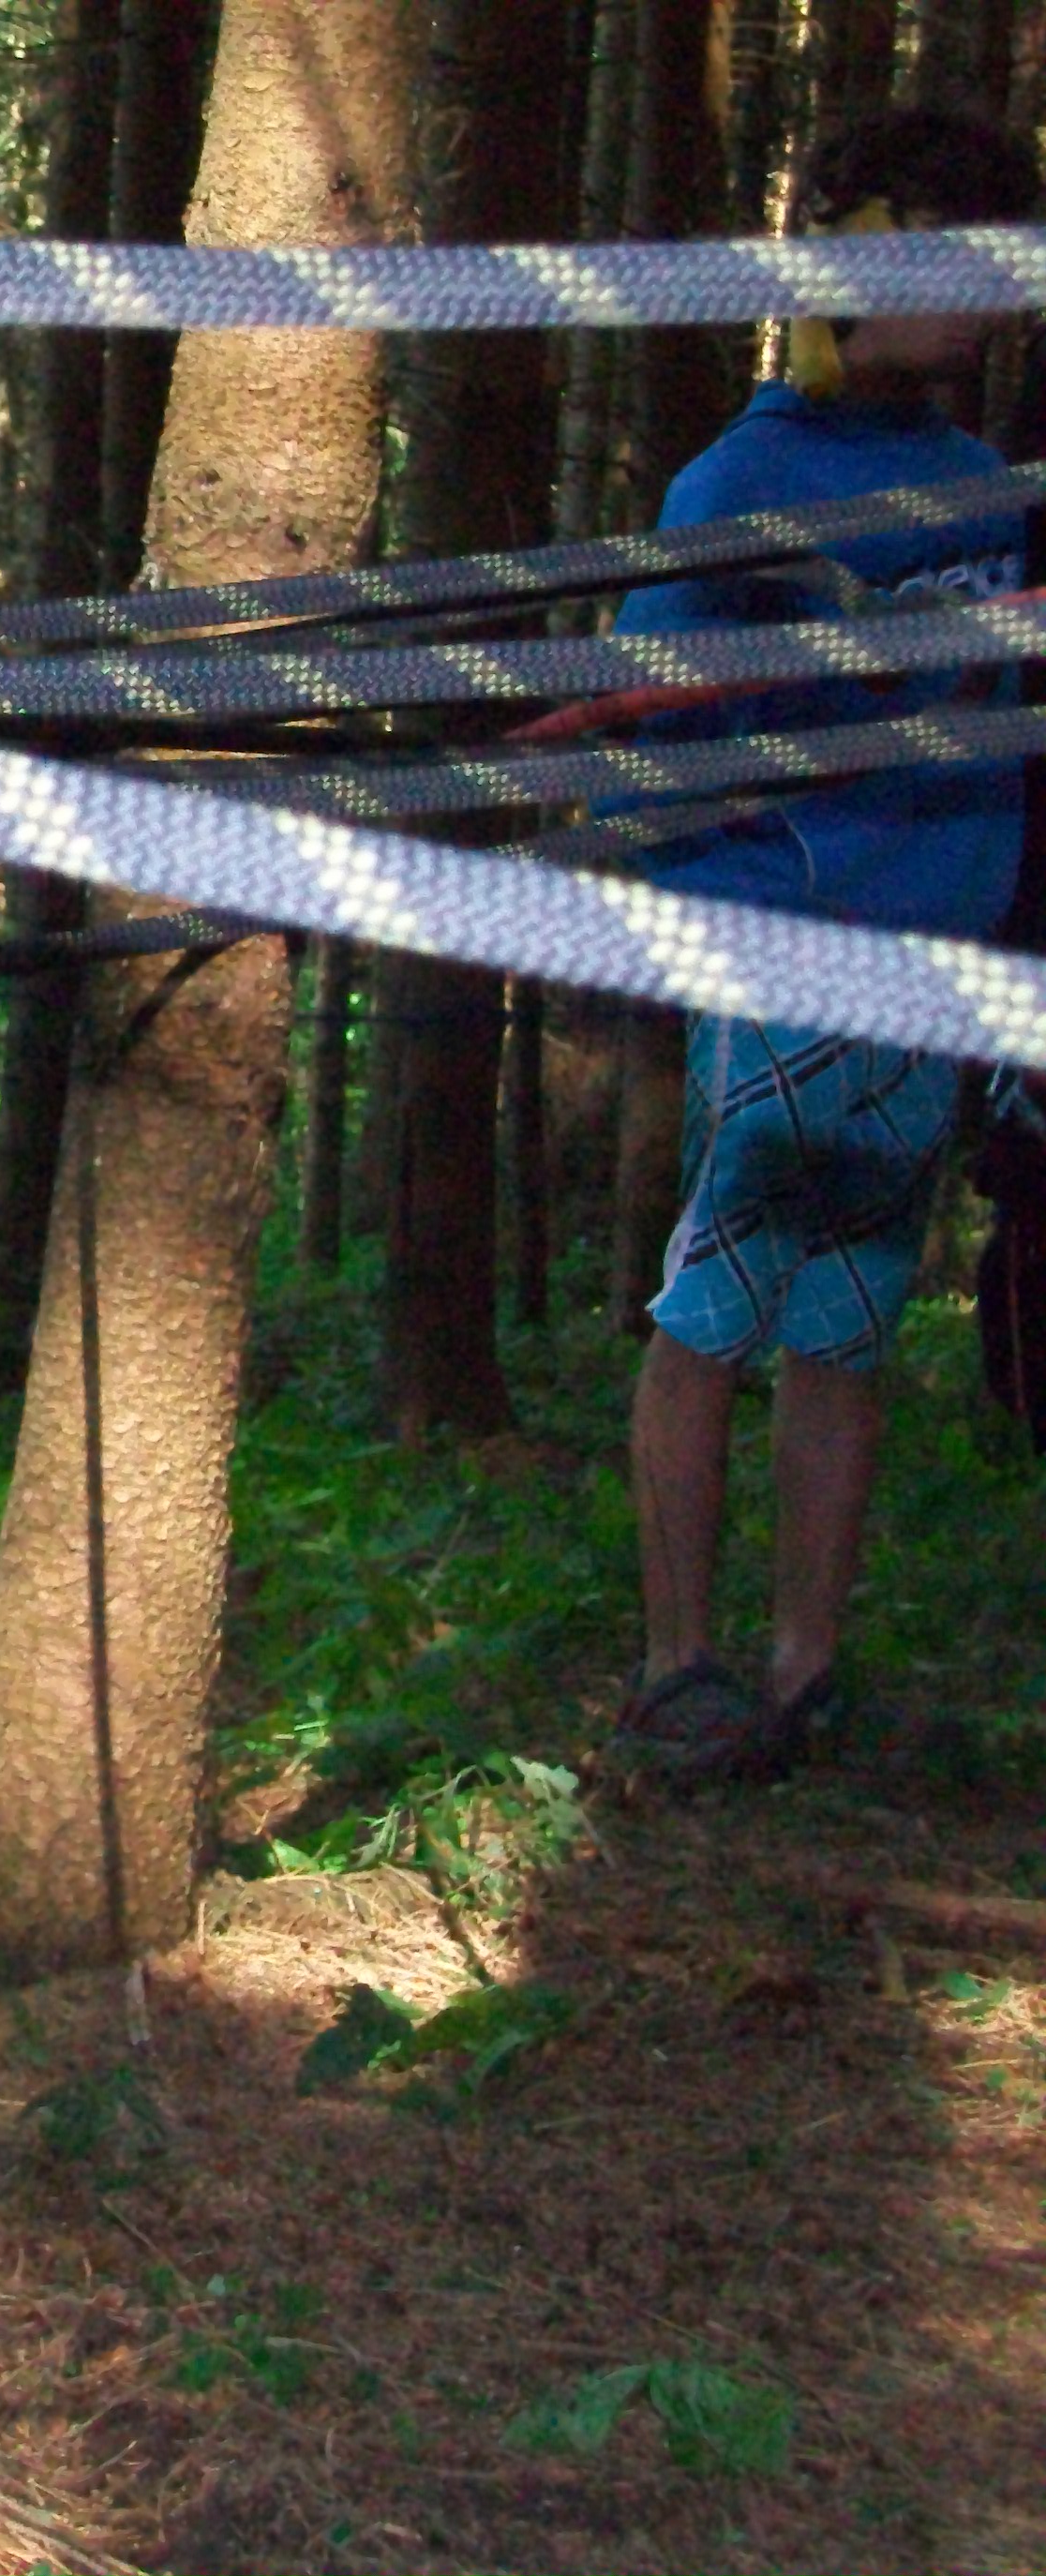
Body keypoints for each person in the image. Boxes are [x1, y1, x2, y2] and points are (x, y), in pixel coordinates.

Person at [607, 107, 1038, 1788]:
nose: (996, 303)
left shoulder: (986, 482)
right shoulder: (742, 486)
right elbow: (641, 731)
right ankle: (676, 1669)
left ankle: (803, 1673)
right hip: (793, 947)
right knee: (719, 1300)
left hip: (936, 961)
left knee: (849, 1324)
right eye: (962, 264)